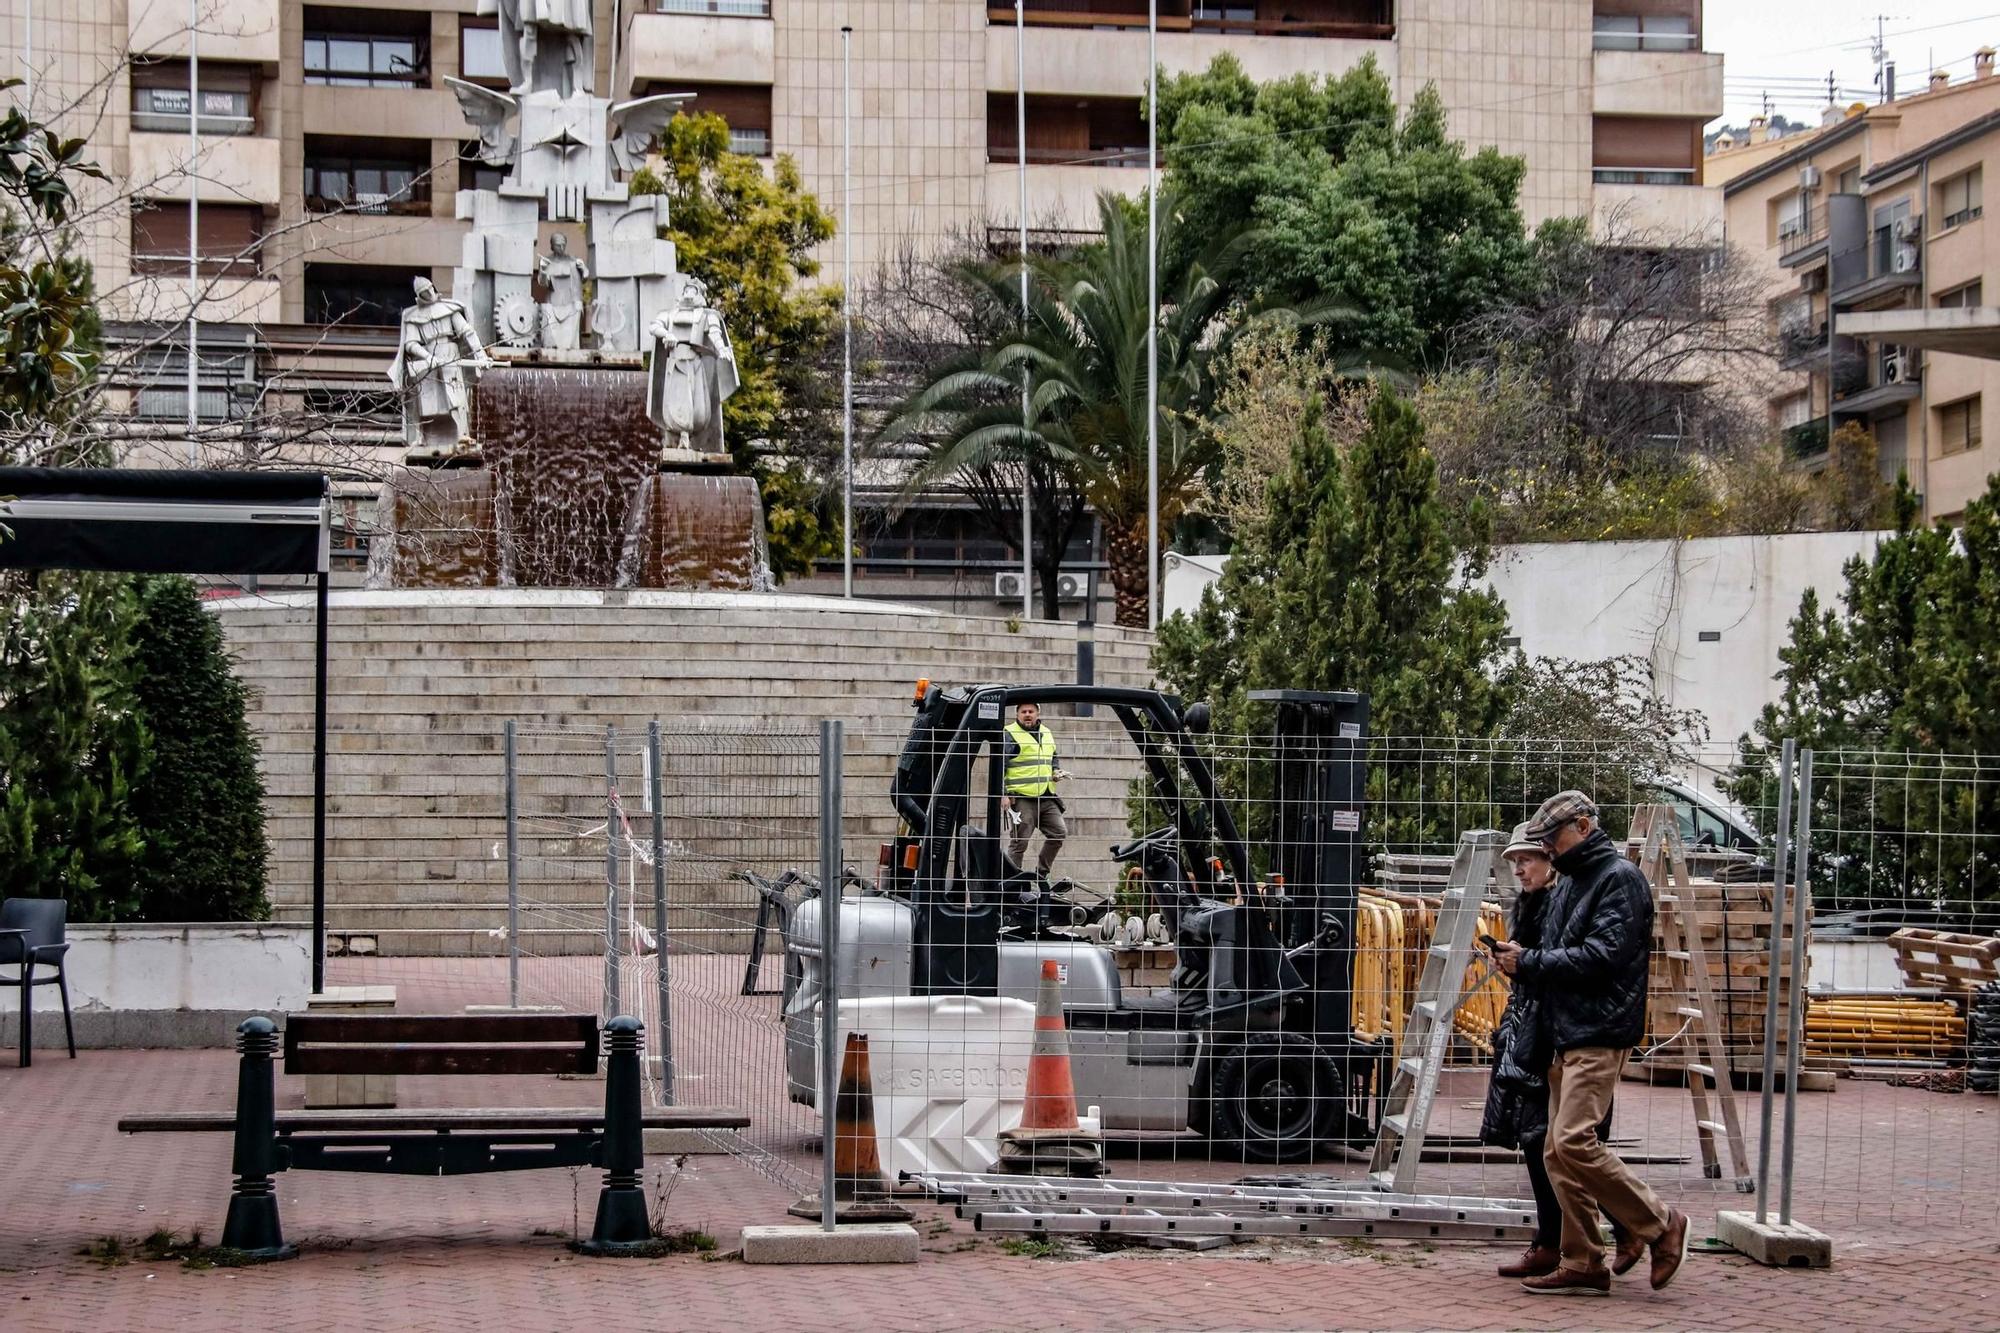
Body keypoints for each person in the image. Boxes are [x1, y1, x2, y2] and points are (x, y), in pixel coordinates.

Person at [1489, 790, 1691, 1297]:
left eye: (1551, 839)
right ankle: (1583, 1259)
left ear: (1582, 826)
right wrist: (1524, 955)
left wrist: (1530, 962)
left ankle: (1659, 1223)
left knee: (1573, 1140)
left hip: (1597, 1031)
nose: (1546, 850)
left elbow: (1600, 956)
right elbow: (1560, 950)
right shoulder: (1574, 880)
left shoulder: (1618, 880)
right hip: (1567, 1030)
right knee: (1559, 1151)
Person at [1479, 823, 1623, 1281]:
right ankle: (1554, 1241)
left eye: (1528, 858)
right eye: (1515, 861)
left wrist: (1527, 963)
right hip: (1536, 1031)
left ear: (1552, 860)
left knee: (1564, 1143)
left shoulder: (1571, 901)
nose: (1520, 868)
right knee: (1539, 1141)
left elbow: (1582, 963)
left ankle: (1636, 1226)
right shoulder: (1534, 904)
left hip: (1559, 1036)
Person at [1000, 701, 1066, 880]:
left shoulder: (1046, 732)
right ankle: (1012, 882)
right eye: (1023, 712)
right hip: (1022, 798)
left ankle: (1041, 875)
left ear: (1038, 713)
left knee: (1058, 833)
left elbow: (1053, 757)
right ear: (1017, 714)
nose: (1027, 714)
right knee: (1019, 843)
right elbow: (1000, 765)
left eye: (1031, 711)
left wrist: (1055, 771)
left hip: (1046, 796)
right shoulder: (1010, 733)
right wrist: (1003, 793)